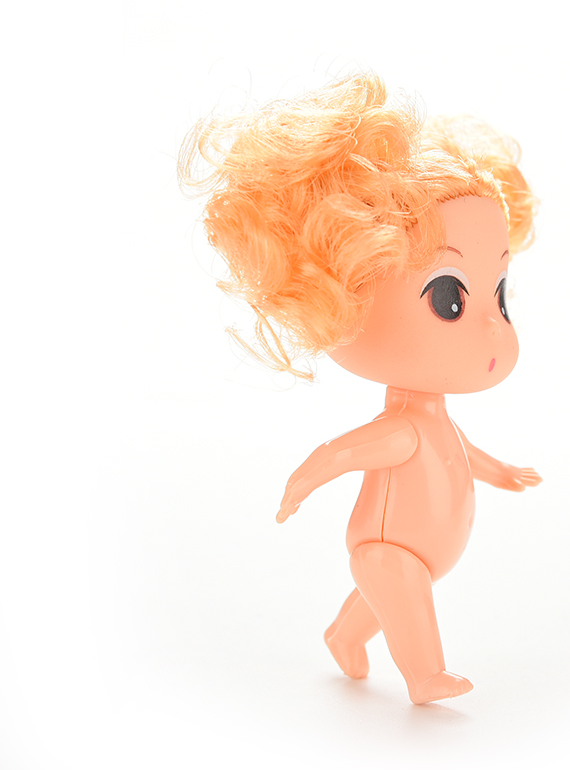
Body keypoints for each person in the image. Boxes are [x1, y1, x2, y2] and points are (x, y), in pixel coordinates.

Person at [180, 73, 542, 703]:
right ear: (338, 303)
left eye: (499, 295)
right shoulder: (401, 430)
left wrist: (501, 471)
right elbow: (341, 455)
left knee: (381, 603)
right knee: (400, 594)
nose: (492, 326)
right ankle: (425, 676)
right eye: (450, 299)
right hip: (389, 550)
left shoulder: (432, 425)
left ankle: (342, 638)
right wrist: (301, 484)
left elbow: (458, 455)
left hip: (412, 557)